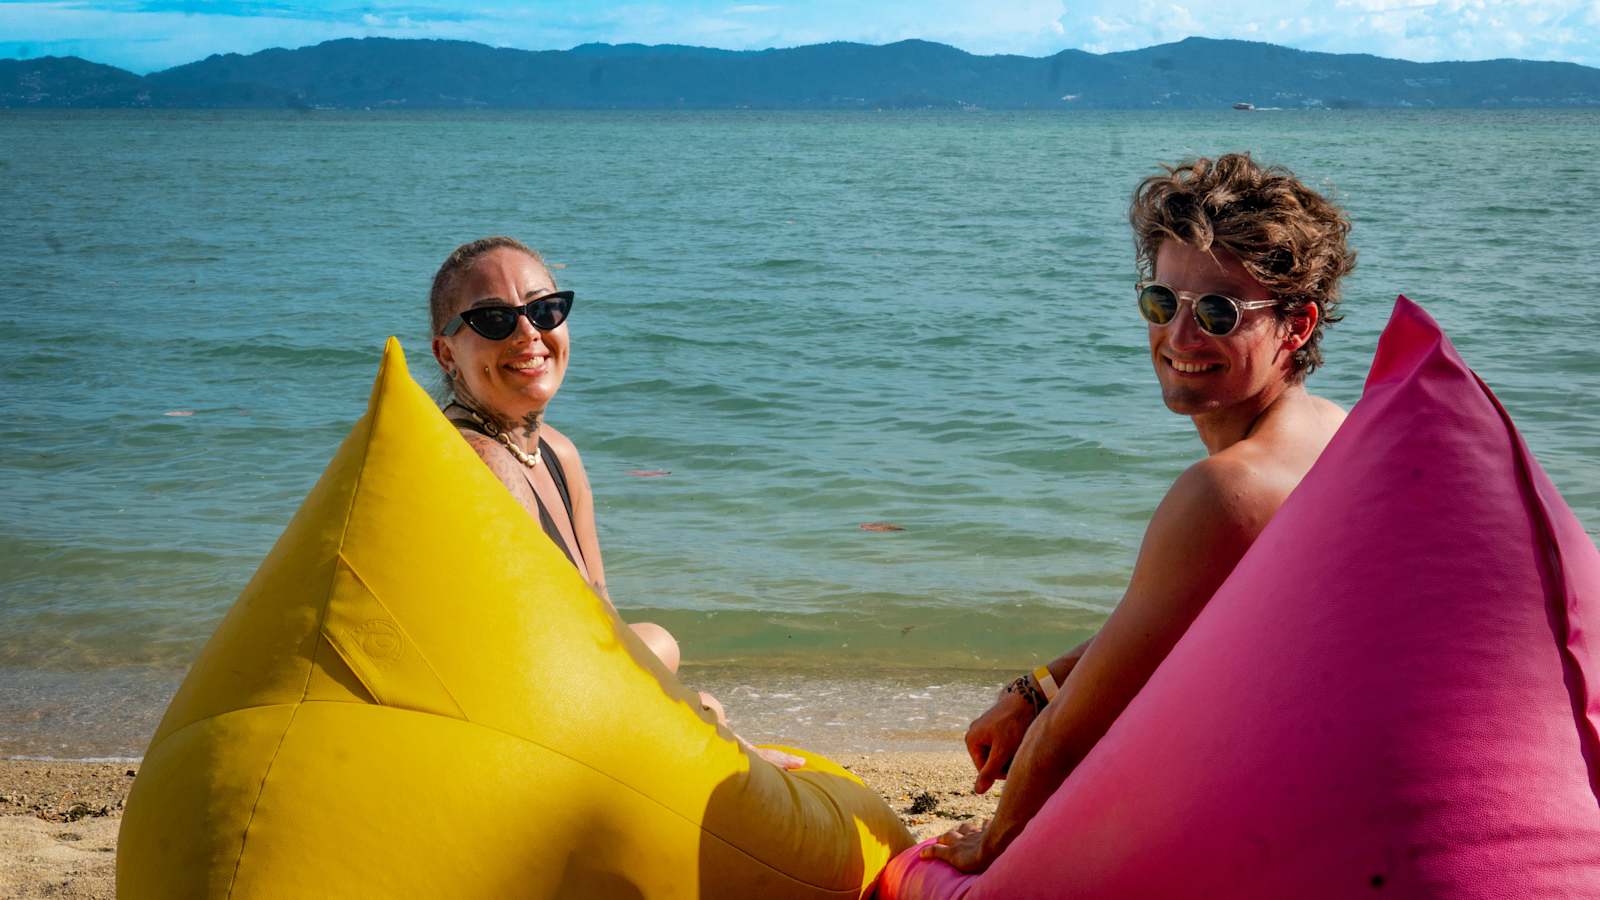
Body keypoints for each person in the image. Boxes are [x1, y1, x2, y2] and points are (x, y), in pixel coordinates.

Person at [924, 153, 1357, 871]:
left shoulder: (1229, 488)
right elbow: (1167, 624)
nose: (1181, 338)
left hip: (1281, 839)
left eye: (1219, 312)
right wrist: (1034, 690)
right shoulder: (1333, 432)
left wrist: (995, 849)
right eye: (1162, 303)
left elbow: (1072, 735)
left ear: (1297, 325)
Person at [427, 236, 802, 768]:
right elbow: (519, 672)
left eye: (544, 309)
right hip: (511, 730)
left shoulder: (556, 452)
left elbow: (602, 630)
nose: (528, 333)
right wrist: (696, 728)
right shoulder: (479, 462)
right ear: (446, 352)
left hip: (565, 693)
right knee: (685, 685)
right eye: (493, 318)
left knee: (657, 644)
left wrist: (686, 710)